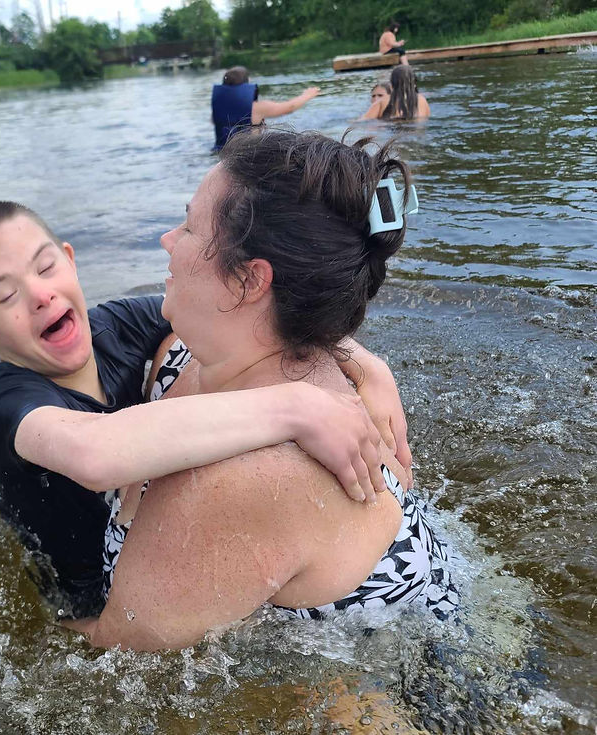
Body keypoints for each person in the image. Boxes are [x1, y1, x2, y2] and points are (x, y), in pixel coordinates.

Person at [75, 129, 459, 651]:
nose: (167, 240)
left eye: (189, 227)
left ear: (248, 282)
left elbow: (115, 654)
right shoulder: (187, 353)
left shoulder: (238, 485)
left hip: (413, 690)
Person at [0, 202, 414, 618]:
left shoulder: (115, 325)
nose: (41, 296)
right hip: (90, 599)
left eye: (44, 269)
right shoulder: (8, 402)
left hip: (164, 544)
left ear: (69, 260)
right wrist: (298, 406)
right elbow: (95, 455)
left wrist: (365, 363)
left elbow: (232, 307)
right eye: (6, 296)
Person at [211, 66, 319, 151]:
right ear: (246, 84)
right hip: (247, 153)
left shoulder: (217, 110)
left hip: (221, 153)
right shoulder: (257, 108)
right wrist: (308, 95)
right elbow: (289, 108)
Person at [361, 65, 430, 121]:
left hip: (393, 134)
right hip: (417, 135)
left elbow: (363, 122)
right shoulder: (422, 100)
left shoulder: (382, 101)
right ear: (414, 83)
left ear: (391, 83)